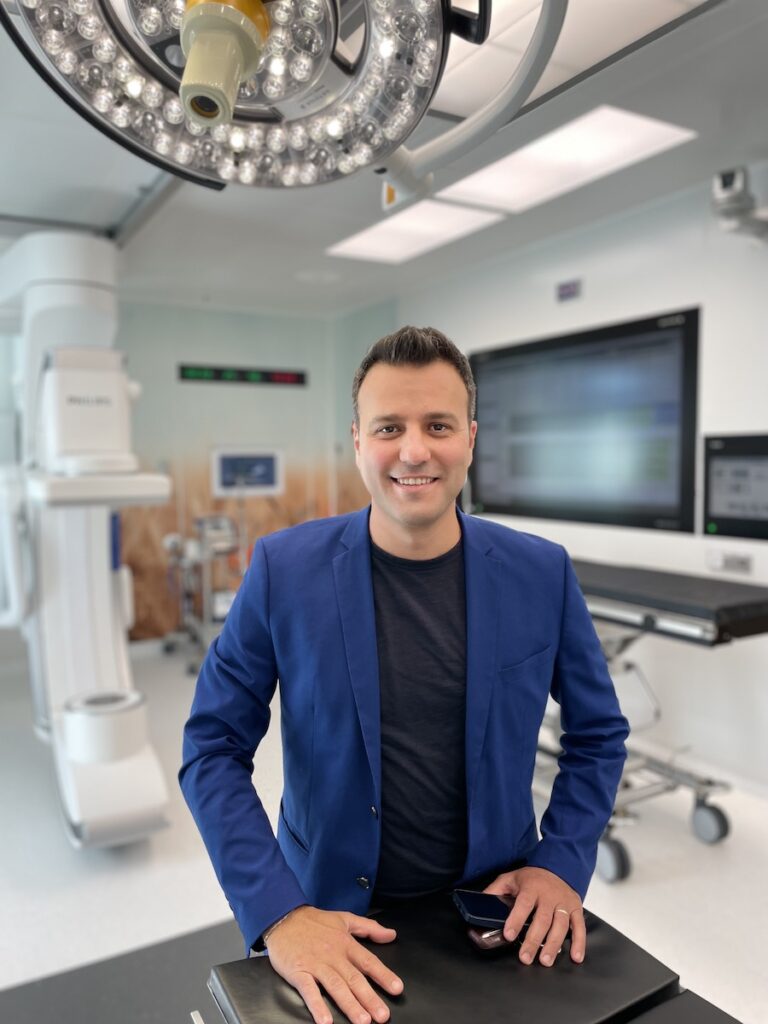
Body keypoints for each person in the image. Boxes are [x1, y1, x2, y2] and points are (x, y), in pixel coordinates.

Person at [180, 326, 629, 1024]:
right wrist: (278, 912)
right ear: (358, 440)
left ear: (470, 439)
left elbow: (597, 735)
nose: (414, 451)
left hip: (492, 915)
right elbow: (212, 748)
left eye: (438, 426)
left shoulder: (541, 573)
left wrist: (561, 863)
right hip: (329, 913)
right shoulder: (283, 572)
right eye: (389, 427)